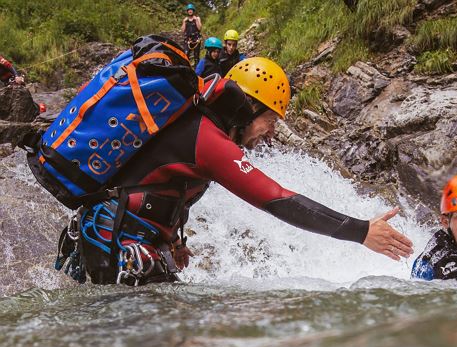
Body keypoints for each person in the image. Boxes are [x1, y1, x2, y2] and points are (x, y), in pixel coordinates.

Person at [61, 57, 413, 285]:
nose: (271, 131)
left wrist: (172, 240)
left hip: (114, 237)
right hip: (117, 241)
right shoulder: (208, 139)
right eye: (270, 119)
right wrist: (361, 231)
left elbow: (158, 184)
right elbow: (278, 199)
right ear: (248, 107)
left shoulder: (201, 130)